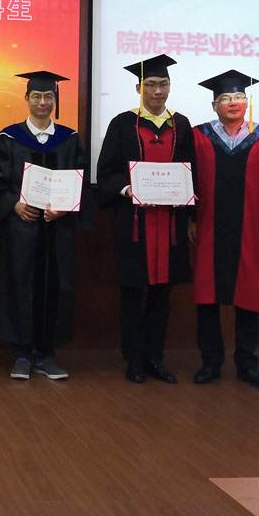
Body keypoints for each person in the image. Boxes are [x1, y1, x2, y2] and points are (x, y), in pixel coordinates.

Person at [189, 70, 259, 389]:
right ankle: (210, 361)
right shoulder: (198, 136)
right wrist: (189, 218)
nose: (233, 102)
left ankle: (247, 363)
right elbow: (186, 178)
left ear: (246, 102)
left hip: (250, 230)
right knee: (207, 296)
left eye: (238, 97)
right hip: (208, 225)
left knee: (248, 295)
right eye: (225, 98)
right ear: (214, 105)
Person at [96, 54, 194, 384]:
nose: (158, 91)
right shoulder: (122, 123)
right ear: (139, 88)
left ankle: (155, 358)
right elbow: (106, 171)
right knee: (132, 294)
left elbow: (191, 171)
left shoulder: (181, 125)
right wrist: (127, 189)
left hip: (170, 224)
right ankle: (134, 359)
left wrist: (189, 207)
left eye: (163, 84)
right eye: (151, 84)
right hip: (134, 223)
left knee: (162, 294)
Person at [0, 71, 91, 380]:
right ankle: (20, 355)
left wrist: (64, 208)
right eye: (37, 96)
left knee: (56, 288)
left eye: (48, 97)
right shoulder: (9, 139)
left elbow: (80, 181)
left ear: (55, 100)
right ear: (27, 99)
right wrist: (13, 204)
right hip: (21, 229)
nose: (43, 102)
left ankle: (46, 355)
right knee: (19, 285)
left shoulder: (69, 139)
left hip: (57, 230)